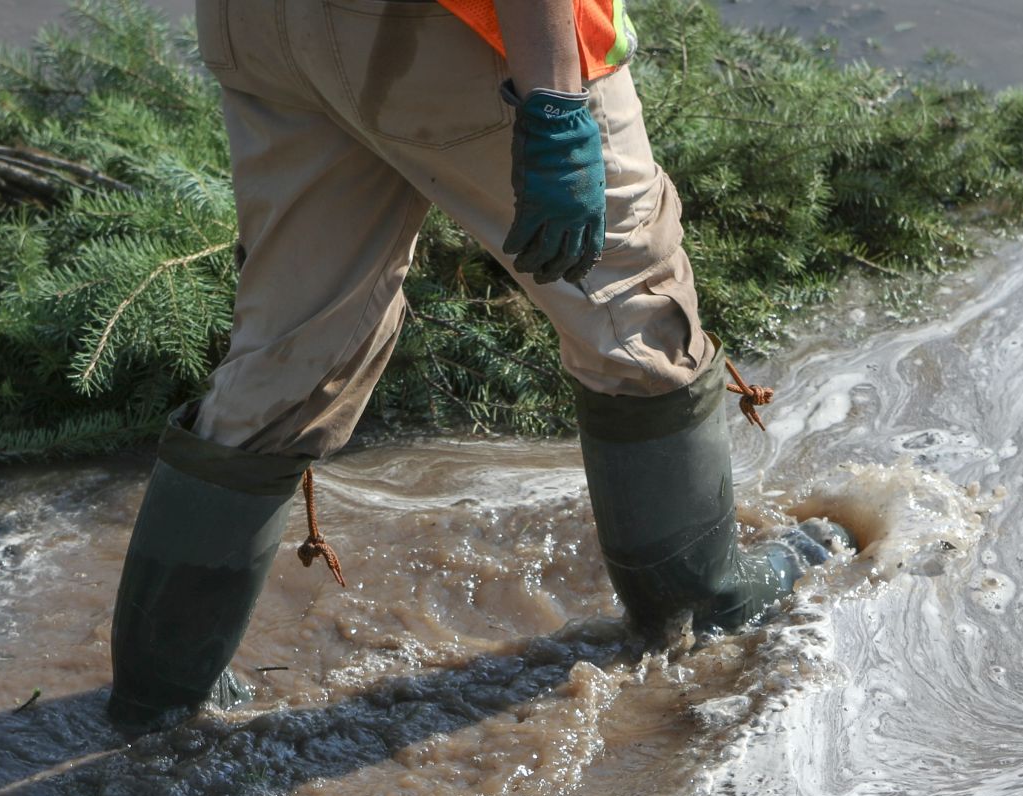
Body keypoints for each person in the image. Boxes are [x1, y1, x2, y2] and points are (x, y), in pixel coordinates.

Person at [108, 0, 835, 733]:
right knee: (634, 309)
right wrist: (553, 100)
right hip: (436, 29)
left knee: (293, 343)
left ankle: (161, 699)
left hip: (261, 26)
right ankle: (701, 608)